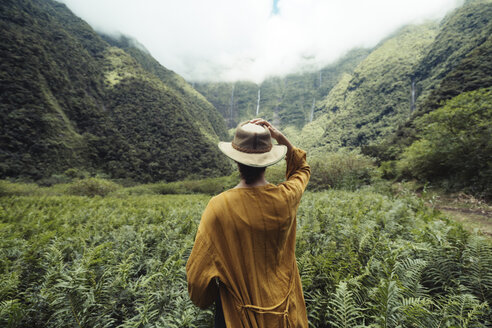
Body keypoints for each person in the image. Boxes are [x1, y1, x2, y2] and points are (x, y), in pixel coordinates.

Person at [186, 118, 310, 327]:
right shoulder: (286, 198)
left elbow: (197, 280)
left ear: (236, 160)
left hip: (237, 316)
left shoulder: (219, 207)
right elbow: (301, 169)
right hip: (286, 312)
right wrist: (279, 137)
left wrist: (214, 296)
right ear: (269, 160)